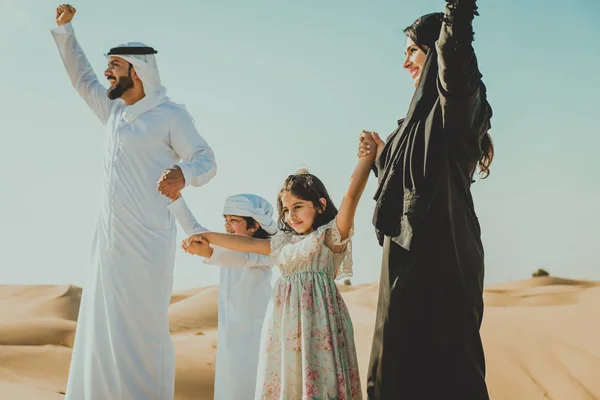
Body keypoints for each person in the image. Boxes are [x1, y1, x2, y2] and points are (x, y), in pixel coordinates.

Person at [51, 5, 216, 399]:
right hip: (108, 244)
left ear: (138, 71)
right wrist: (66, 31)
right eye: (108, 65)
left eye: (115, 65)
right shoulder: (113, 112)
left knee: (140, 330)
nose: (108, 71)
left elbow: (206, 160)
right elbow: (81, 77)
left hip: (147, 243)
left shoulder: (169, 115)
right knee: (101, 326)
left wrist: (185, 175)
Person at [361, 1, 494, 399]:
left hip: (443, 259)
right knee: (392, 372)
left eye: (412, 51)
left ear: (434, 49)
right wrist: (383, 155)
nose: (405, 63)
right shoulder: (414, 122)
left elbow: (455, 64)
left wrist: (456, 14)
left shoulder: (457, 111)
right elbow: (410, 182)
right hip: (402, 262)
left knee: (446, 369)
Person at [185, 136, 377, 398]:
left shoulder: (329, 237)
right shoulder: (283, 244)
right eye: (286, 210)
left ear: (320, 205)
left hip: (319, 324)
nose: (291, 216)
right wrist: (207, 237)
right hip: (284, 325)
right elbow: (241, 245)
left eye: (297, 207)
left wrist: (365, 159)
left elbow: (351, 196)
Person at [166, 192, 276, 400]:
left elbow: (241, 258)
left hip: (257, 336)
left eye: (234, 220)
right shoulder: (225, 246)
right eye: (225, 220)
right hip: (230, 336)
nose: (227, 226)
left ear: (254, 225)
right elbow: (197, 231)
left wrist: (207, 253)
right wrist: (175, 198)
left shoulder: (267, 252)